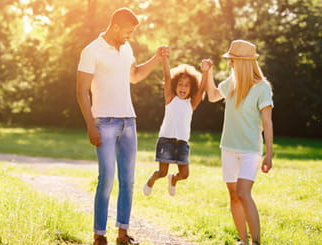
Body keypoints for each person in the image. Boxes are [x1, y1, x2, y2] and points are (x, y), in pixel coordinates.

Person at [76, 7, 169, 245]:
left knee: (128, 180)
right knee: (106, 178)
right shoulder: (91, 51)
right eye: (127, 31)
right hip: (104, 122)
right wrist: (90, 125)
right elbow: (81, 91)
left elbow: (135, 75)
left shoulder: (127, 48)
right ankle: (99, 234)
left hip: (129, 121)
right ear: (115, 26)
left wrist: (157, 58)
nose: (130, 36)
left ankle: (122, 233)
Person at [203, 40, 274, 245]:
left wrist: (268, 154)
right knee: (234, 195)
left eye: (232, 60)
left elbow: (267, 123)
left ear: (243, 62)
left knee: (243, 193)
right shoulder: (231, 83)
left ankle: (256, 241)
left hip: (250, 150)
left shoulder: (262, 88)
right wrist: (208, 73)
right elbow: (213, 96)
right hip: (228, 148)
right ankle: (243, 240)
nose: (230, 64)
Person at [142, 59, 206, 197]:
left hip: (182, 143)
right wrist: (165, 59)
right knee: (162, 173)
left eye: (187, 85)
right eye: (180, 84)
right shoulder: (170, 98)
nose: (183, 87)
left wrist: (206, 72)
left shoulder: (191, 104)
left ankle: (174, 179)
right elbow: (166, 77)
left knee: (185, 174)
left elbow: (201, 91)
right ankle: (152, 179)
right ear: (174, 85)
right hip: (166, 140)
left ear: (192, 88)